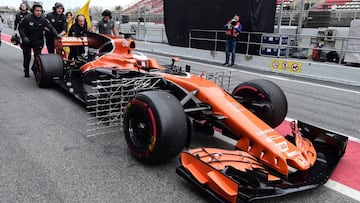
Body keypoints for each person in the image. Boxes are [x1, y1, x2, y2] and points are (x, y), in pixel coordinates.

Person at [18, 3, 60, 78]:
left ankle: (35, 68)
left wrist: (57, 35)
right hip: (27, 41)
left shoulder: (43, 19)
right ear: (33, 11)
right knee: (27, 57)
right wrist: (24, 37)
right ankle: (26, 71)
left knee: (38, 57)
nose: (39, 12)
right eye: (37, 11)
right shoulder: (27, 18)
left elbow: (51, 28)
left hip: (38, 41)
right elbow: (20, 28)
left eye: (40, 11)